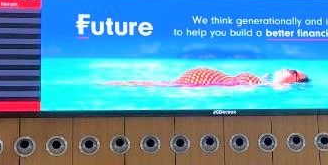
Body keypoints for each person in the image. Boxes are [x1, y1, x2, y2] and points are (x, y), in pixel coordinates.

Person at [110, 67, 309, 87]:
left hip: (204, 82)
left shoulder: (267, 86)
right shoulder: (264, 81)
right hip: (205, 79)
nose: (287, 69)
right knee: (163, 83)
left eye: (293, 72)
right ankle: (119, 83)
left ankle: (118, 83)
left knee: (161, 84)